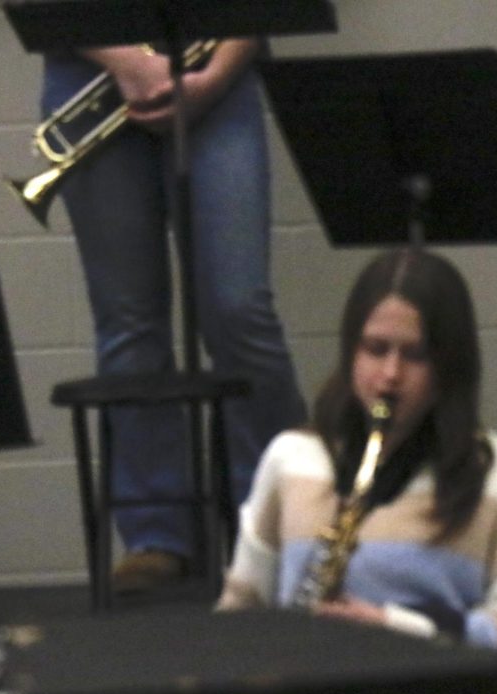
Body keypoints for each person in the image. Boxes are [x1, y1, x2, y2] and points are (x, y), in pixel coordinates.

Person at [41, 37, 307, 592]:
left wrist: (212, 77)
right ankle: (156, 536)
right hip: (89, 71)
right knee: (128, 321)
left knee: (239, 311)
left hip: (218, 69)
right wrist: (127, 62)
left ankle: (277, 521)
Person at [217, 249, 497, 654]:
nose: (390, 376)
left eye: (414, 355)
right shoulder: (291, 458)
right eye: (376, 349)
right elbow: (239, 613)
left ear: (449, 364)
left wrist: (391, 627)